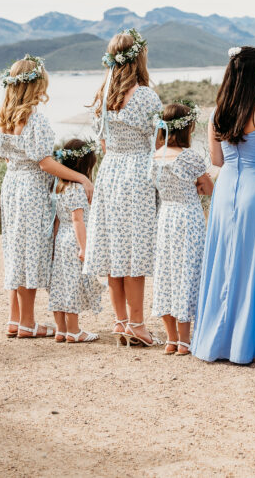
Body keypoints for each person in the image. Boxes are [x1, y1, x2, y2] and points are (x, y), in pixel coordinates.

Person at [0, 54, 94, 340]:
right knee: (31, 252)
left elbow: (7, 156)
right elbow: (45, 162)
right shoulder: (34, 120)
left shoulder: (4, 118)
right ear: (36, 86)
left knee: (16, 250)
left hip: (12, 185)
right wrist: (81, 177)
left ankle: (15, 320)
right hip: (32, 191)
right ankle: (27, 323)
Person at [192, 46, 255, 364]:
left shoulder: (219, 110)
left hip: (227, 189)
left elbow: (216, 159)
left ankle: (218, 338)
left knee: (226, 262)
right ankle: (252, 343)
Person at [84, 29, 163, 347]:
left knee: (115, 250)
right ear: (139, 57)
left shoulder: (102, 97)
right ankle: (138, 325)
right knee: (135, 254)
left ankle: (120, 322)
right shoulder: (146, 96)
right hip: (137, 175)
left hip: (111, 172)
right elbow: (160, 143)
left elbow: (101, 142)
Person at [151, 102, 214, 355]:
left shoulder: (154, 157)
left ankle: (171, 339)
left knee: (166, 274)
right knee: (187, 273)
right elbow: (209, 188)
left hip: (166, 217)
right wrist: (199, 187)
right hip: (188, 219)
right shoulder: (189, 157)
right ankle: (186, 340)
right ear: (187, 127)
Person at [48, 138, 104, 343]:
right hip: (73, 239)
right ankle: (73, 330)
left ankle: (61, 329)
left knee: (59, 285)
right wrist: (84, 248)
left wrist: (53, 244)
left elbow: (56, 219)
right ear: (84, 165)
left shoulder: (58, 187)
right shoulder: (78, 188)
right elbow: (77, 220)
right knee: (72, 284)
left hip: (61, 238)